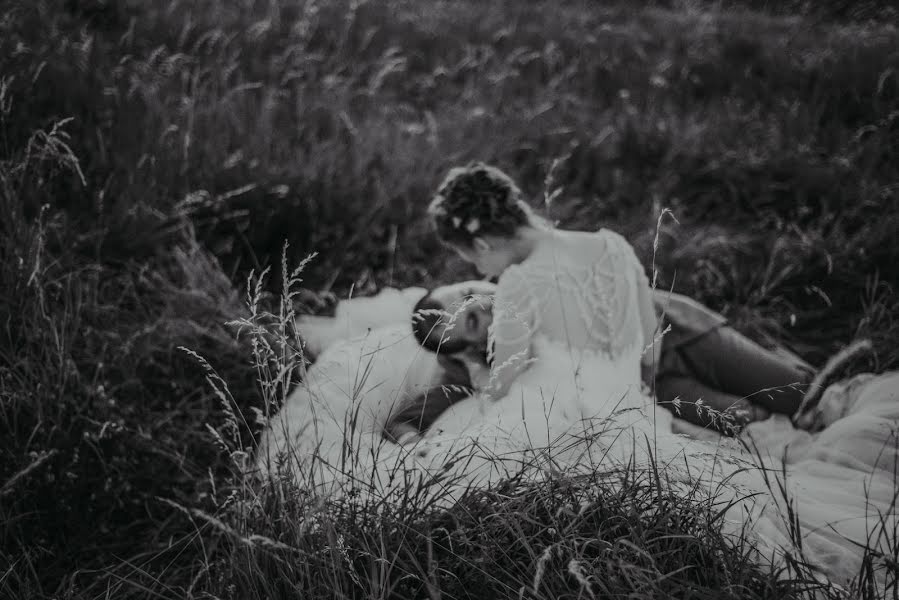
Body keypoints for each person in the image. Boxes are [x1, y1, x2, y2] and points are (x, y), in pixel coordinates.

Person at [403, 283, 816, 437]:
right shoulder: (474, 365)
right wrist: (407, 436)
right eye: (473, 320)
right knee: (750, 423)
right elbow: (412, 418)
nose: (481, 303)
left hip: (675, 330)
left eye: (465, 292)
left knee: (801, 398)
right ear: (470, 347)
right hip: (657, 385)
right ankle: (764, 359)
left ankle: (771, 351)